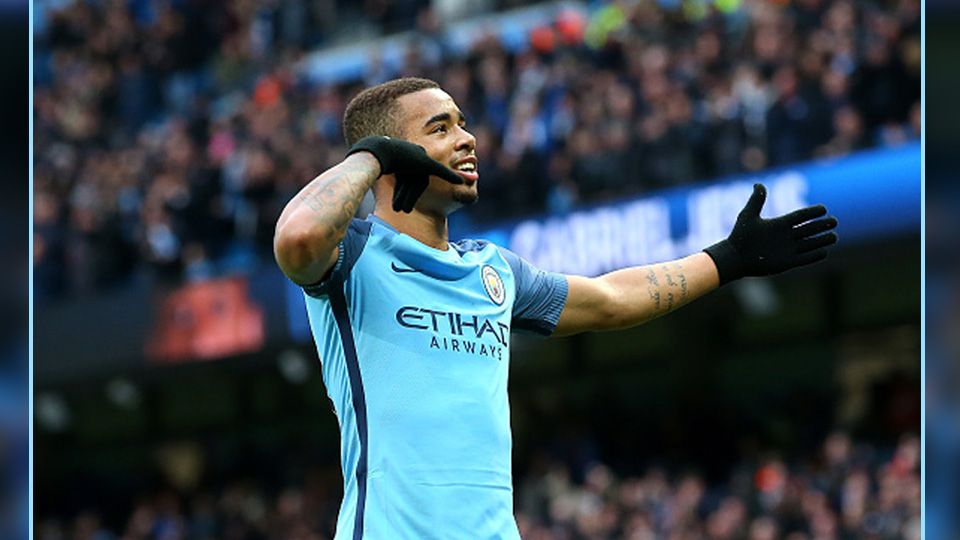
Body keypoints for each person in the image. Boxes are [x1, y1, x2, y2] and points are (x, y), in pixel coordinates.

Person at [273, 77, 838, 539]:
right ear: (394, 155)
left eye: (463, 122)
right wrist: (369, 156)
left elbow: (612, 299)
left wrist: (728, 260)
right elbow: (296, 240)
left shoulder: (491, 269)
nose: (466, 139)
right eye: (440, 128)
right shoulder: (351, 255)